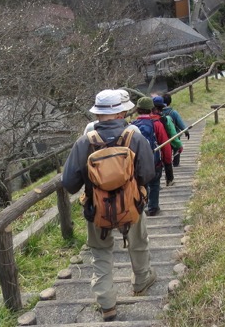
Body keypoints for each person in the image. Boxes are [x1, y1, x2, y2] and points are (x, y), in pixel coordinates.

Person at [62, 89, 157, 322]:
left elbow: (69, 184)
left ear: (98, 114)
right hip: (132, 205)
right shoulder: (134, 137)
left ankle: (106, 303)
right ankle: (141, 280)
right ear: (122, 112)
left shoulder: (84, 142)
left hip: (97, 209)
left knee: (101, 252)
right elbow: (147, 174)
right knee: (138, 242)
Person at [131, 96, 173, 217]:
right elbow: (165, 144)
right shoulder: (156, 124)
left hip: (138, 164)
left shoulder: (132, 125)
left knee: (141, 185)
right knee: (154, 185)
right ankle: (153, 208)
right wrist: (167, 161)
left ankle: (141, 207)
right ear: (152, 109)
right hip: (155, 162)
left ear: (138, 110)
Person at [153, 95, 183, 171]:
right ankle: (175, 164)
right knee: (171, 151)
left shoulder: (148, 119)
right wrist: (179, 145)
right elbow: (174, 131)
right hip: (168, 139)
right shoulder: (169, 117)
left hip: (154, 146)